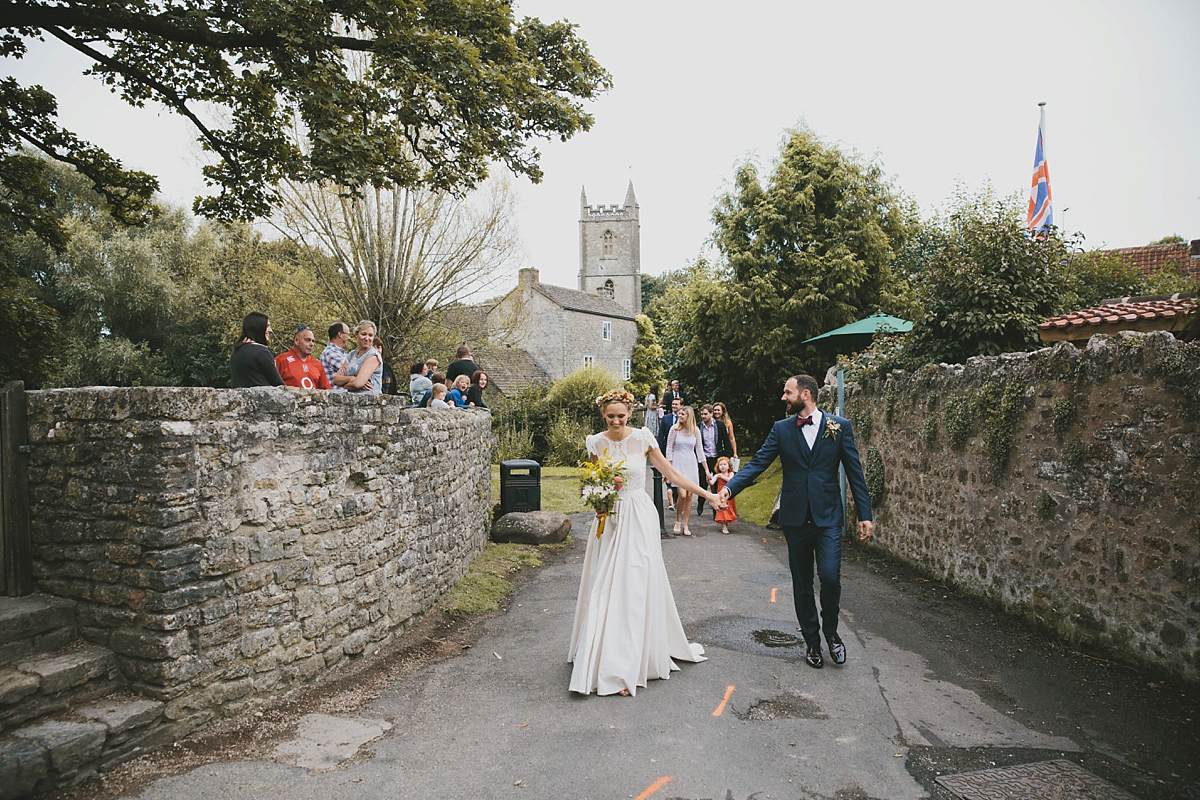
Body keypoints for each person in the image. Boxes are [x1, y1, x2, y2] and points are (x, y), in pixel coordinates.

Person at [569, 389, 725, 696]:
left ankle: (634, 655)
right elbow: (596, 480)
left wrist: (708, 495)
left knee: (636, 580)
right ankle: (603, 654)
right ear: (603, 414)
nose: (616, 421)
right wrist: (598, 504)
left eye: (621, 416)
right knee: (606, 584)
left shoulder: (643, 438)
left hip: (639, 517)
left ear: (629, 413)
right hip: (611, 520)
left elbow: (671, 473)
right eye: (610, 416)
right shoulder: (596, 443)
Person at [719, 375, 873, 670]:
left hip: (828, 517)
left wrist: (864, 514)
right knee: (802, 583)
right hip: (795, 518)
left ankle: (831, 632)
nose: (783, 397)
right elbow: (758, 463)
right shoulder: (782, 429)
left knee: (829, 577)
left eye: (787, 392)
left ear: (805, 394)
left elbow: (854, 471)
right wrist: (729, 488)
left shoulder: (839, 427)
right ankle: (812, 642)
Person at [665, 405, 710, 537]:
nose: (680, 416)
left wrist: (706, 469)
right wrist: (669, 466)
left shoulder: (695, 430)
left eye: (682, 414)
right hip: (678, 463)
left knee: (690, 496)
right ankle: (677, 520)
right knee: (682, 495)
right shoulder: (674, 429)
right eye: (679, 414)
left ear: (689, 416)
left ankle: (686, 524)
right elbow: (669, 447)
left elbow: (700, 450)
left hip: (691, 462)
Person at [230, 312, 284, 388]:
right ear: (258, 327)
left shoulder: (236, 351)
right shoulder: (261, 352)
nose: (270, 330)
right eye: (267, 326)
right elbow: (277, 382)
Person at [696, 403, 732, 517]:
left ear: (711, 414)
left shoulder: (720, 425)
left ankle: (715, 510)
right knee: (702, 482)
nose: (703, 416)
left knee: (717, 484)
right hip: (704, 458)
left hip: (717, 457)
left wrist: (727, 456)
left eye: (706, 414)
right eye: (702, 414)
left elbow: (726, 441)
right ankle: (700, 503)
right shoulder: (698, 427)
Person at [275, 325, 332, 390]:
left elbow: (326, 390)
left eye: (313, 341)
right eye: (307, 340)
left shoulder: (317, 364)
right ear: (296, 341)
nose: (311, 344)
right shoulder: (281, 360)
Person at [333, 320, 382, 393]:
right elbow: (335, 380)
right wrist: (352, 378)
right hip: (352, 400)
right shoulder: (351, 354)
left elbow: (357, 384)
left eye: (370, 335)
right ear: (356, 334)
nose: (367, 338)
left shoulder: (373, 356)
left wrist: (344, 384)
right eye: (363, 334)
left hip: (371, 401)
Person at [656, 395, 683, 513]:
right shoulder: (666, 419)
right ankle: (672, 497)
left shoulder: (684, 419)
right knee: (669, 475)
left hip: (680, 452)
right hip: (668, 452)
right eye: (673, 404)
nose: (674, 406)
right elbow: (661, 436)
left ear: (681, 406)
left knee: (678, 475)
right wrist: (661, 452)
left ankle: (677, 500)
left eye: (676, 404)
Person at [708, 457, 738, 534]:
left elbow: (730, 480)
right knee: (723, 509)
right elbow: (711, 483)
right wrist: (708, 478)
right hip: (720, 494)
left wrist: (721, 476)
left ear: (729, 466)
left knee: (729, 509)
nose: (723, 466)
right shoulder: (718, 475)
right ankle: (724, 526)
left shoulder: (730, 474)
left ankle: (726, 523)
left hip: (729, 494)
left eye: (725, 464)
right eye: (720, 464)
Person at [320, 322, 352, 390]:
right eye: (348, 334)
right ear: (340, 334)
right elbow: (352, 371)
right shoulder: (330, 353)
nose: (349, 338)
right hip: (337, 398)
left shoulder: (342, 353)